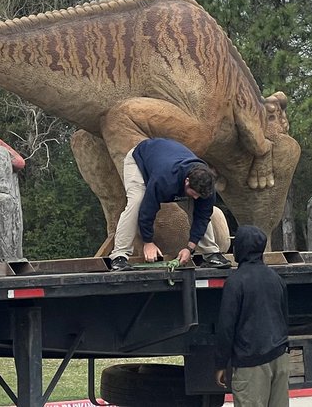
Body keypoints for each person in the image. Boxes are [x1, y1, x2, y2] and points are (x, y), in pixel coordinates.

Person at [108, 137, 230, 271]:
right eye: (193, 193)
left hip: (168, 158)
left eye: (199, 195)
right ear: (187, 181)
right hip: (140, 159)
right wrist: (148, 242)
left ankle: (211, 253)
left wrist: (190, 248)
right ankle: (119, 256)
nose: (196, 197)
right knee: (136, 201)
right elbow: (147, 211)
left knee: (199, 209)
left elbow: (202, 217)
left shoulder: (206, 185)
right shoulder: (164, 180)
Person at [214, 225, 289, 407]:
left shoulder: (235, 282)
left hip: (251, 362)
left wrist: (221, 364)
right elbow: (284, 316)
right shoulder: (275, 278)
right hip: (280, 357)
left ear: (240, 248)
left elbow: (226, 327)